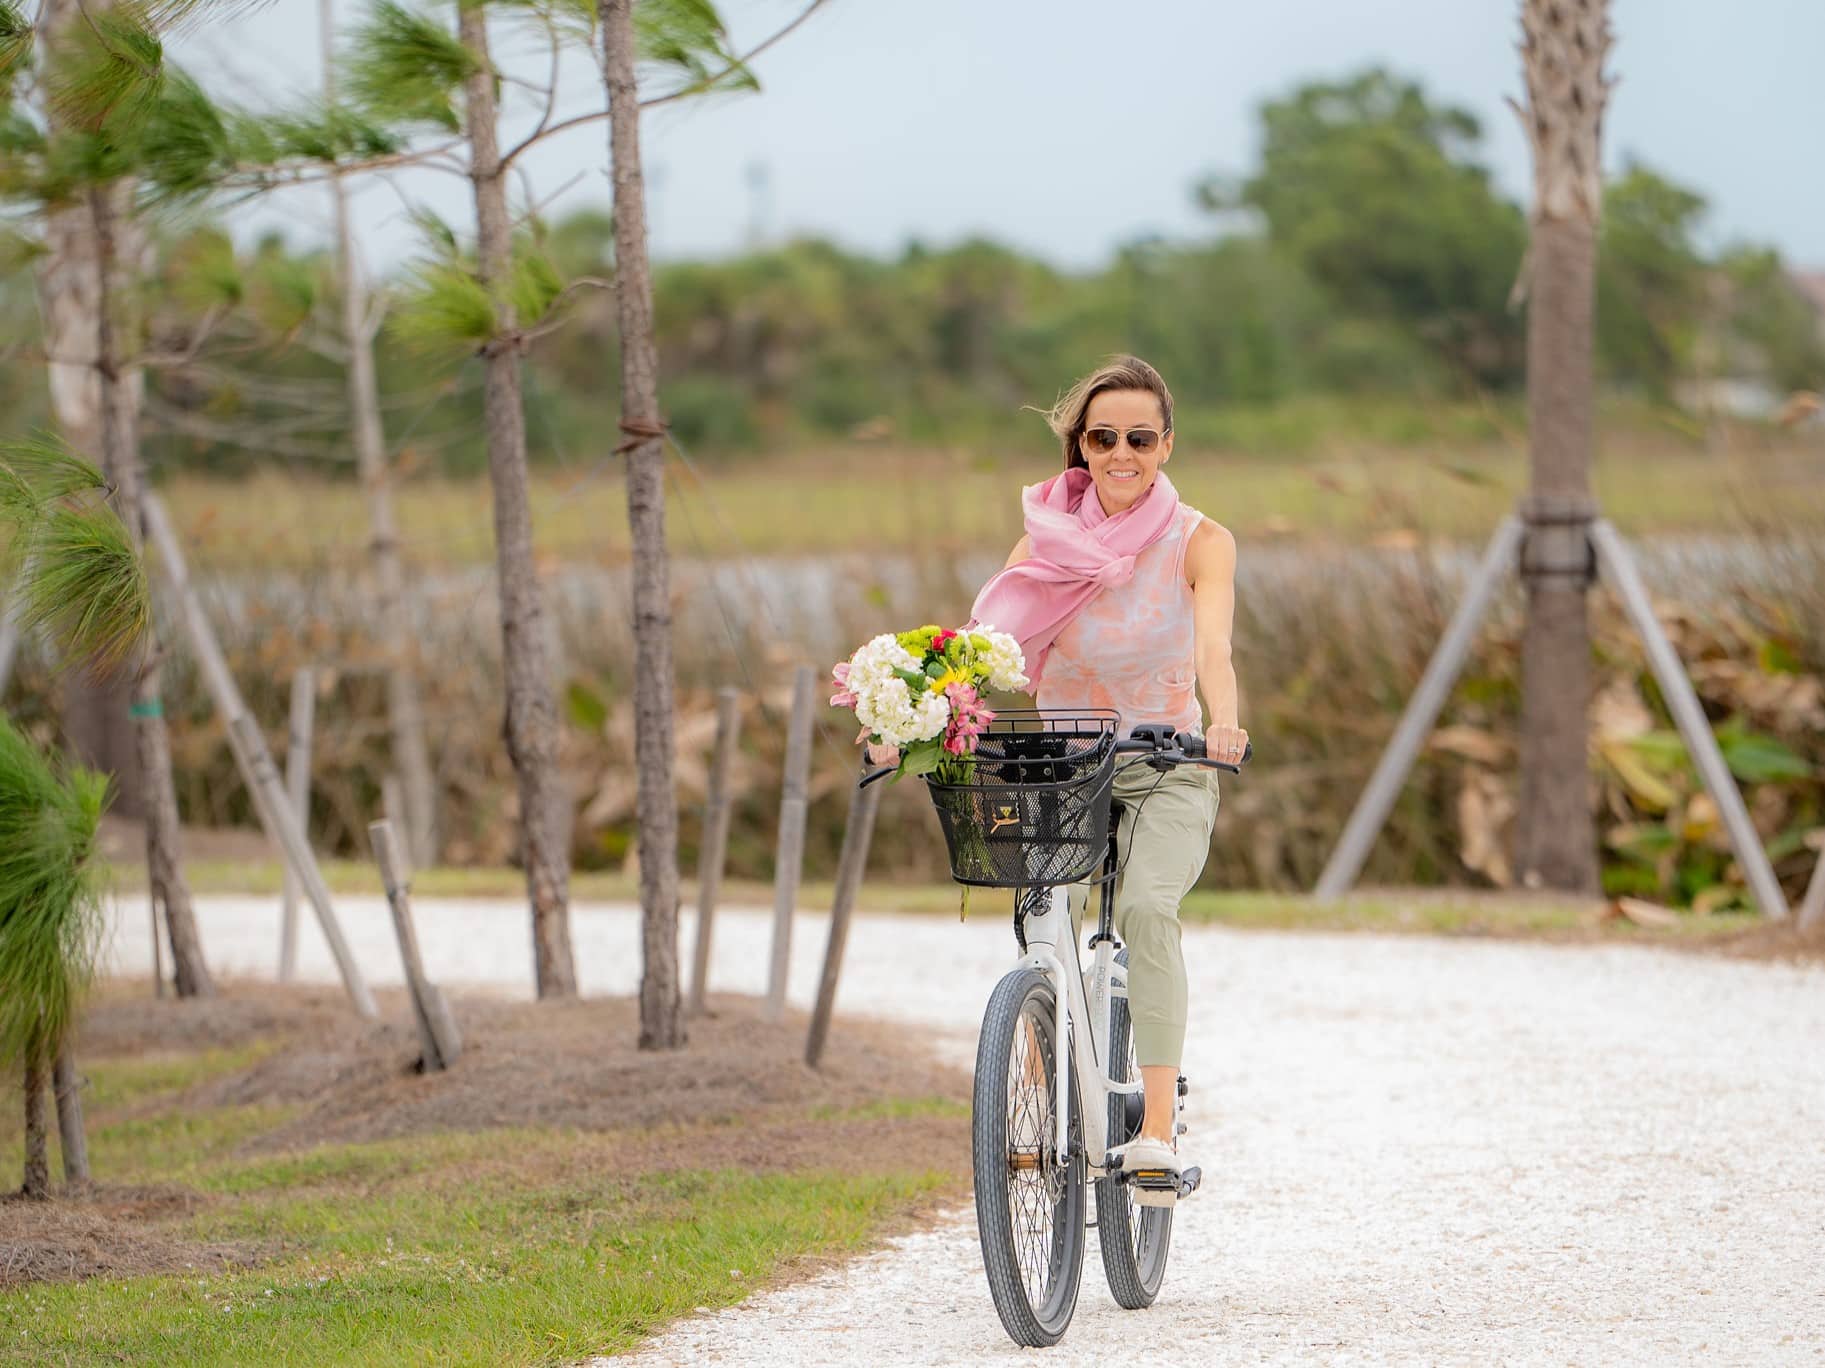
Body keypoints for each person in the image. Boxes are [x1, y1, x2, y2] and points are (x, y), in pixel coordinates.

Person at [970, 355, 1247, 1177]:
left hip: (1164, 758)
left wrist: (1223, 723)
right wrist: (931, 716)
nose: (1119, 453)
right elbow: (1002, 650)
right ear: (1078, 446)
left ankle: (1155, 1128)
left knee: (1147, 910)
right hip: (1065, 761)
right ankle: (1032, 1094)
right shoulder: (1044, 540)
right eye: (1101, 436)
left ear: (1166, 445)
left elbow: (1213, 645)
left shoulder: (1200, 540)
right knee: (1039, 920)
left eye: (1138, 437)